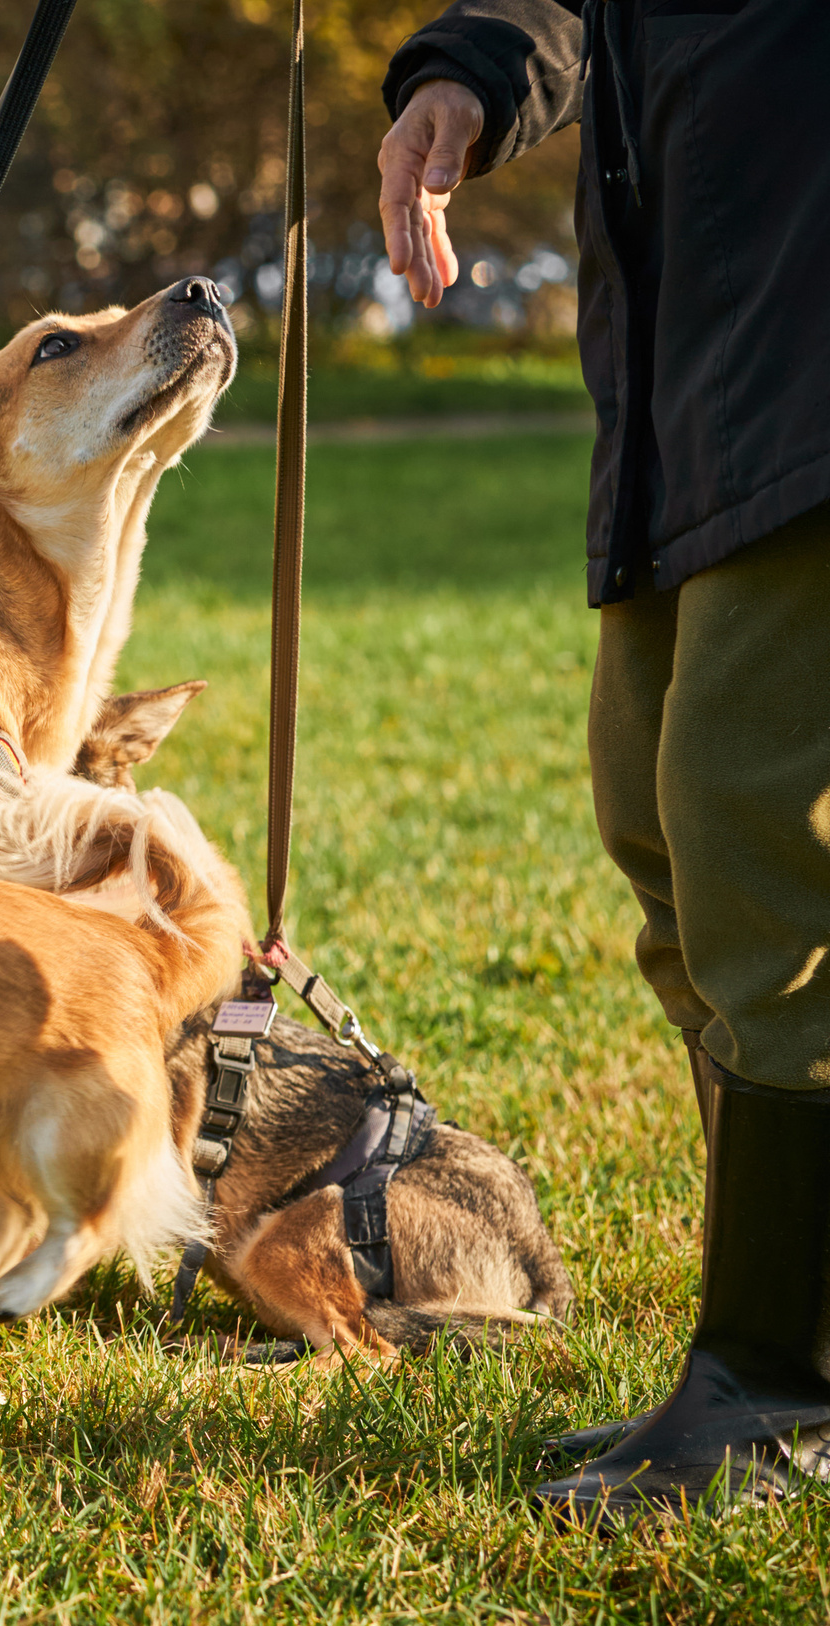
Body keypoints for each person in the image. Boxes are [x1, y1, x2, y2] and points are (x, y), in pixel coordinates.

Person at [376, 0, 830, 1517]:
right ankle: (750, 1367)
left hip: (809, 331)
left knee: (766, 850)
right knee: (669, 848)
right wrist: (475, 73)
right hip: (687, 359)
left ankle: (787, 1392)